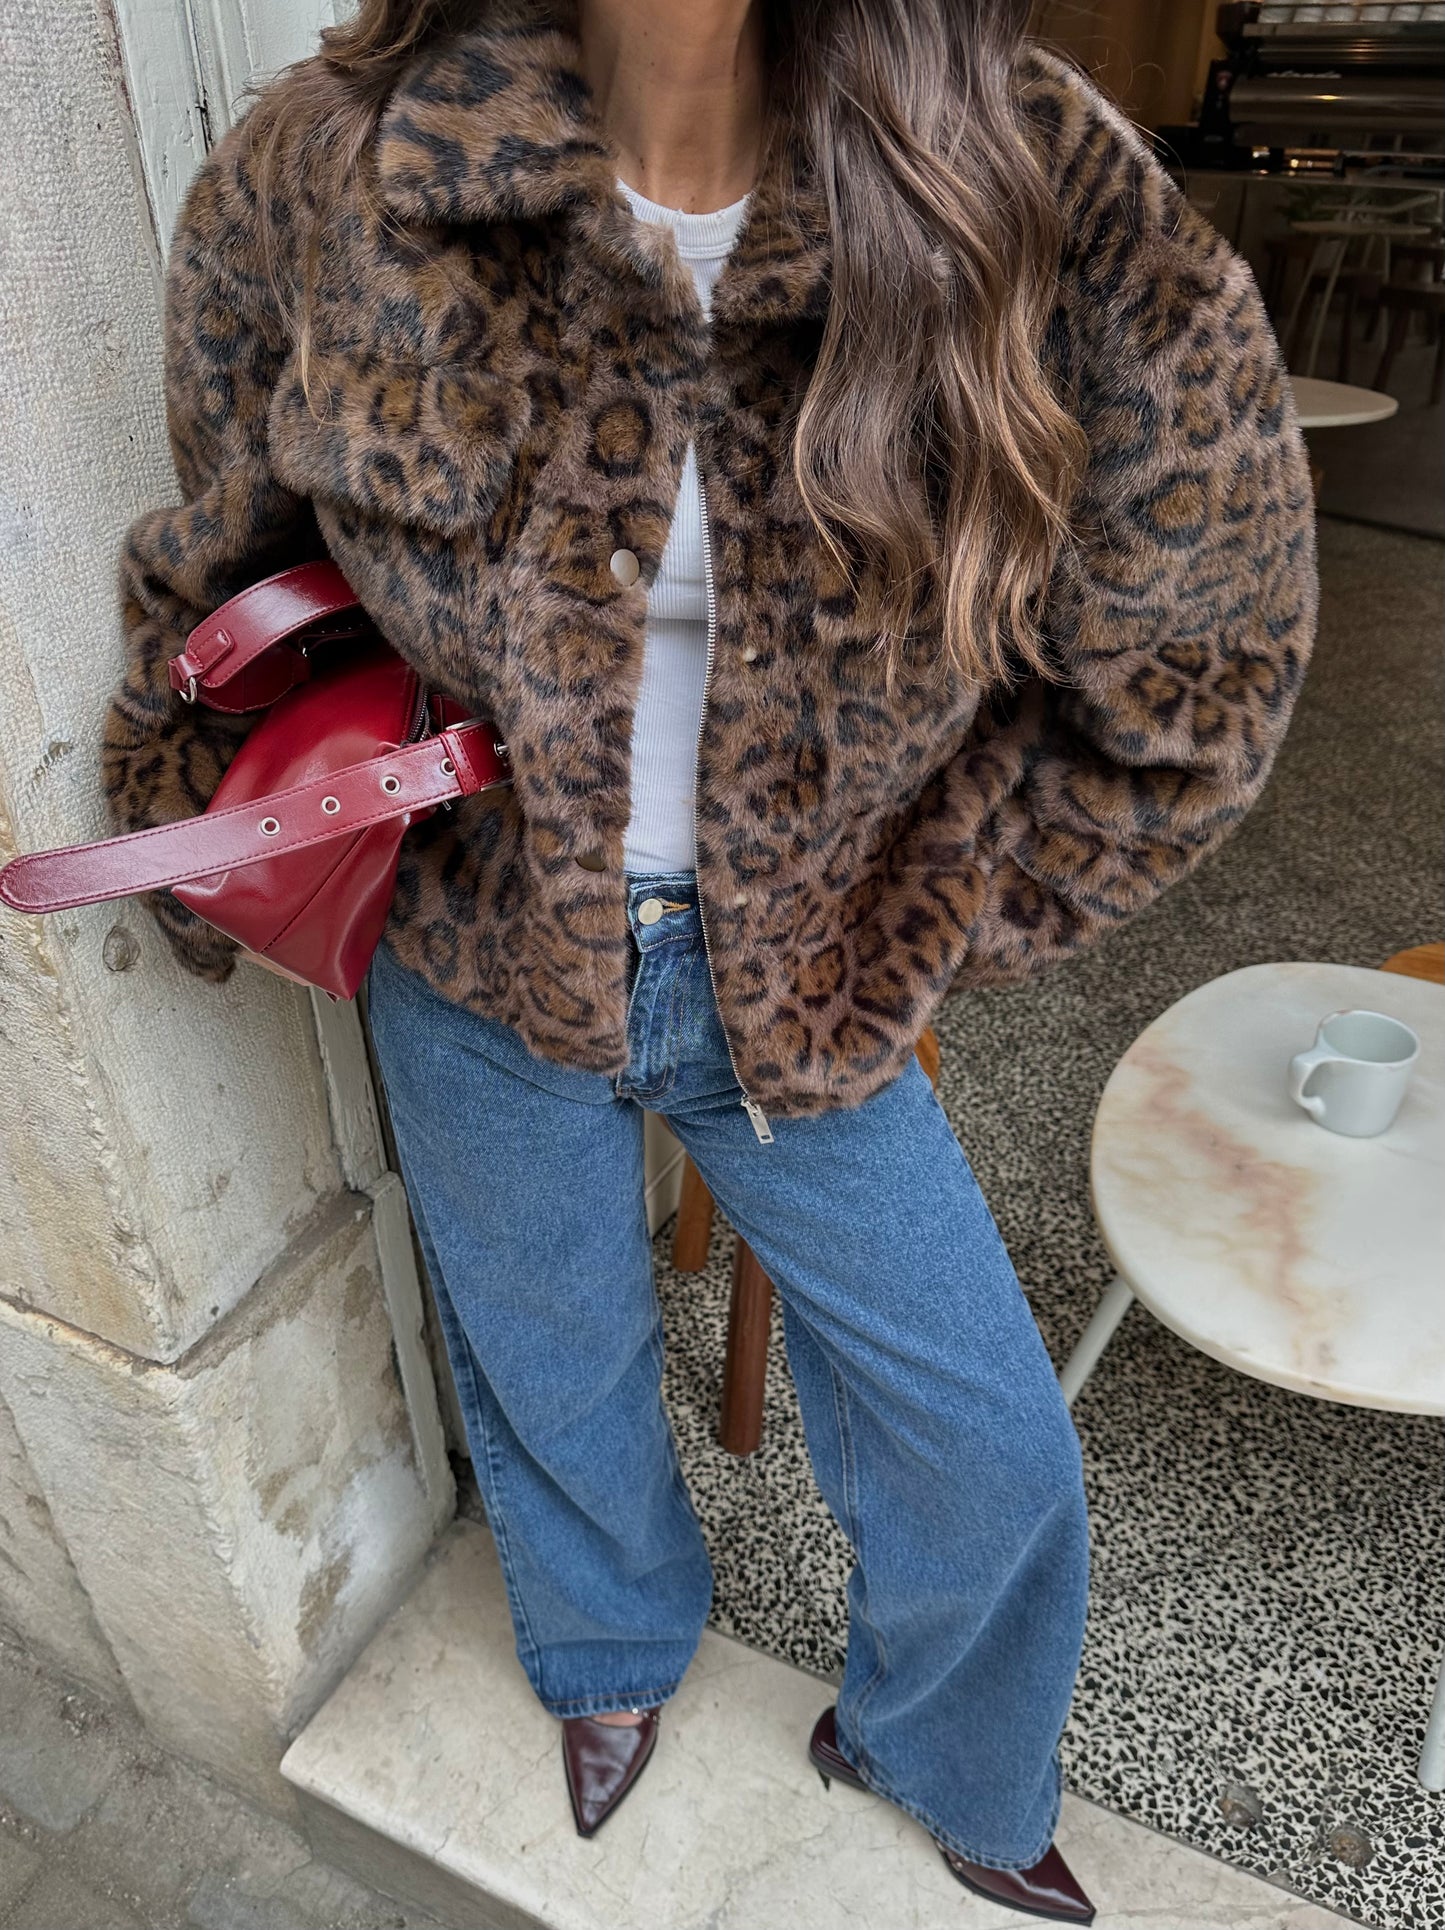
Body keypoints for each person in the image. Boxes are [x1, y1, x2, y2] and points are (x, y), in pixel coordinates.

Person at [102, 0, 1317, 1919]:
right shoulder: (340, 160)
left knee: (984, 1435)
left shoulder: (1021, 173)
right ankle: (608, 1652)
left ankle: (939, 1738)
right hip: (479, 937)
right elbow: (231, 552)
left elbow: (1203, 652)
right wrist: (197, 790)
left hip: (809, 974)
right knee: (549, 1351)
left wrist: (942, 904)